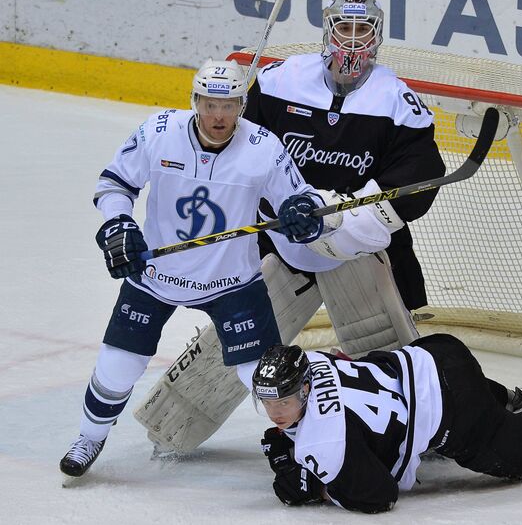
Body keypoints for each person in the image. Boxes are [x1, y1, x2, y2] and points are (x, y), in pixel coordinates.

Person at [134, 0, 522, 456]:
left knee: (398, 365)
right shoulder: (279, 82)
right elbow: (237, 147)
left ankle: (491, 407)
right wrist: (272, 205)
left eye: (363, 30)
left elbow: (419, 178)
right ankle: (169, 427)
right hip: (279, 244)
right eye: (344, 28)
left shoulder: (398, 101)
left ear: (376, 37)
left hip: (355, 252)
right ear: (327, 32)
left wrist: (347, 220)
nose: (352, 42)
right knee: (239, 341)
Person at [59, 58, 330, 478]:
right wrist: (118, 223)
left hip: (233, 282)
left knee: (264, 376)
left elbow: (305, 199)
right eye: (209, 104)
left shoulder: (263, 147)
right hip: (155, 277)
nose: (218, 116)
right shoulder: (160, 131)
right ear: (194, 100)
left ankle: (316, 447)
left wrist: (303, 213)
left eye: (229, 105)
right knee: (117, 365)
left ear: (242, 104)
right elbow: (114, 183)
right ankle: (89, 438)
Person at [252, 335, 522, 513]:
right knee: (411, 380)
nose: (276, 413)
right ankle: (512, 401)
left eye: (285, 401)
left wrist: (319, 486)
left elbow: (380, 498)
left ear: (306, 389)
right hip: (438, 353)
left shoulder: (321, 443)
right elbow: (344, 361)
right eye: (269, 403)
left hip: (457, 416)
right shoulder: (307, 360)